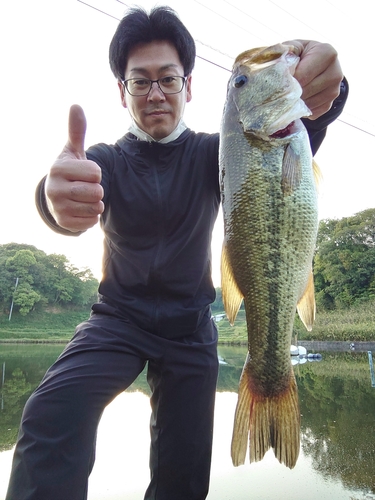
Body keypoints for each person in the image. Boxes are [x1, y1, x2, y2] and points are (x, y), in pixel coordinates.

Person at [6, 5, 348, 500]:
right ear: (122, 93)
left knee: (183, 473)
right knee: (49, 413)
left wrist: (329, 93)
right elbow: (63, 189)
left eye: (168, 79)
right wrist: (52, 199)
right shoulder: (105, 159)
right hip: (116, 320)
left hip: (191, 328)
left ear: (189, 87)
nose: (156, 93)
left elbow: (293, 142)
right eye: (140, 82)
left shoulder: (221, 151)